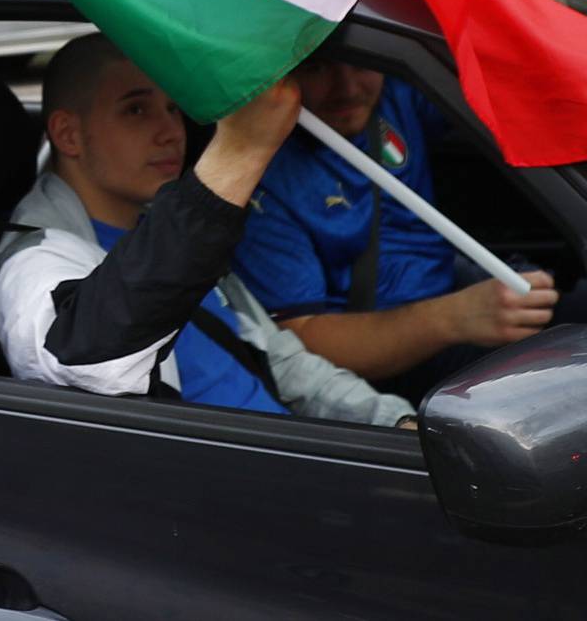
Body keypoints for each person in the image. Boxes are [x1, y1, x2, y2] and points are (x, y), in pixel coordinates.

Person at [0, 35, 413, 427]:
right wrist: (240, 150)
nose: (170, 132)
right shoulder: (37, 259)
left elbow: (282, 361)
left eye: (174, 108)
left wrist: (392, 423)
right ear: (69, 134)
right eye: (136, 110)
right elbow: (85, 360)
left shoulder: (162, 219)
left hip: (293, 447)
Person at [232, 53, 558, 401]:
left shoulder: (398, 88)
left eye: (362, 62)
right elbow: (302, 342)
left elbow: (491, 85)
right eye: (317, 66)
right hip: (394, 366)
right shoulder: (262, 179)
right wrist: (454, 317)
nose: (347, 89)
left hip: (456, 288)